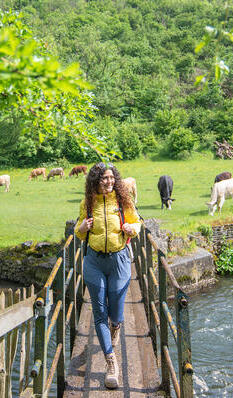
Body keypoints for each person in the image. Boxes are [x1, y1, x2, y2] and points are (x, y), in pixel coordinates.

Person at [74, 162, 141, 389]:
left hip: (119, 261)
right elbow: (79, 231)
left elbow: (137, 222)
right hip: (94, 262)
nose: (109, 181)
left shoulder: (123, 201)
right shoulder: (87, 203)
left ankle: (116, 328)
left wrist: (133, 229)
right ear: (95, 180)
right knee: (99, 313)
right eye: (104, 178)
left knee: (116, 313)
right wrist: (82, 227)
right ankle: (111, 363)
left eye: (111, 178)